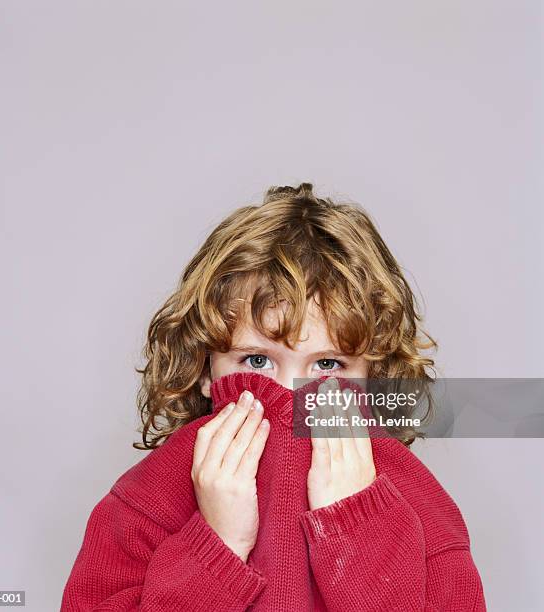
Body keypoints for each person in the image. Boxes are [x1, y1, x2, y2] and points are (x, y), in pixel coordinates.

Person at [60, 183, 486, 611]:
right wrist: (216, 546)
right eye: (257, 363)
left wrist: (359, 530)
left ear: (373, 378)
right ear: (205, 368)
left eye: (328, 366)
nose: (288, 397)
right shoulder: (147, 500)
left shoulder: (419, 503)